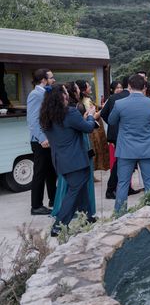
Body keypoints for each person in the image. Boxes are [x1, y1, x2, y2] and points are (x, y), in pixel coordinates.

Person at [40, 84, 97, 236]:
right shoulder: (70, 113)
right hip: (75, 160)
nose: (68, 95)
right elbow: (88, 128)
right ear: (62, 97)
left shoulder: (47, 115)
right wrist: (91, 115)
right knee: (74, 191)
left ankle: (87, 217)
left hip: (60, 160)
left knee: (80, 188)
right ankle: (59, 225)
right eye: (66, 92)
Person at [108, 74, 150, 215]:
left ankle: (120, 215)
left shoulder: (120, 104)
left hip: (126, 149)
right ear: (145, 87)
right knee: (149, 183)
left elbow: (111, 121)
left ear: (129, 86)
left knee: (122, 183)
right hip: (147, 147)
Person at [100, 76, 141, 199]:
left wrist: (112, 125)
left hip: (116, 134)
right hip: (127, 134)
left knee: (126, 162)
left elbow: (103, 114)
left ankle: (126, 188)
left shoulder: (112, 98)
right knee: (121, 162)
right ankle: (111, 189)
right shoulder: (131, 97)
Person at [26, 68, 57, 215]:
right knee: (39, 173)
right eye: (51, 78)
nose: (53, 80)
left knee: (51, 171)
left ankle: (54, 199)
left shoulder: (45, 93)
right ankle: (36, 205)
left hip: (48, 139)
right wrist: (42, 138)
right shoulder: (35, 94)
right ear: (43, 80)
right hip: (40, 141)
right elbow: (32, 120)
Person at [76, 79, 110, 174]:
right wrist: (103, 109)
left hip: (93, 128)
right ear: (83, 90)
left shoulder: (84, 99)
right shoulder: (86, 101)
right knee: (95, 151)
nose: (90, 87)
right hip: (93, 129)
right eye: (88, 86)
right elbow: (93, 116)